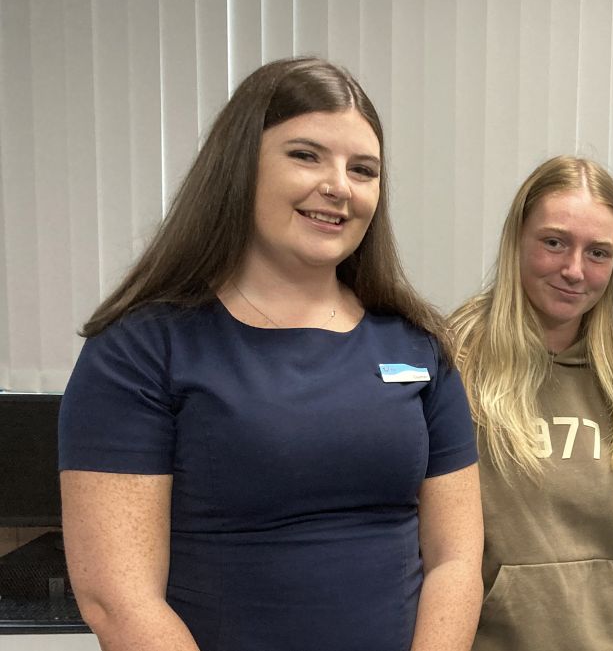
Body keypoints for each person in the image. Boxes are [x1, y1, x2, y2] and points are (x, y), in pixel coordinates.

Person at [57, 57, 483, 651]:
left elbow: (456, 561)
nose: (338, 185)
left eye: (363, 169)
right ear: (240, 167)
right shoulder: (140, 350)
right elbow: (118, 600)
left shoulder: (418, 348)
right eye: (305, 155)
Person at [448, 156, 613, 651]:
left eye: (599, 253)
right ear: (517, 239)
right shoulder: (451, 364)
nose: (574, 270)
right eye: (554, 242)